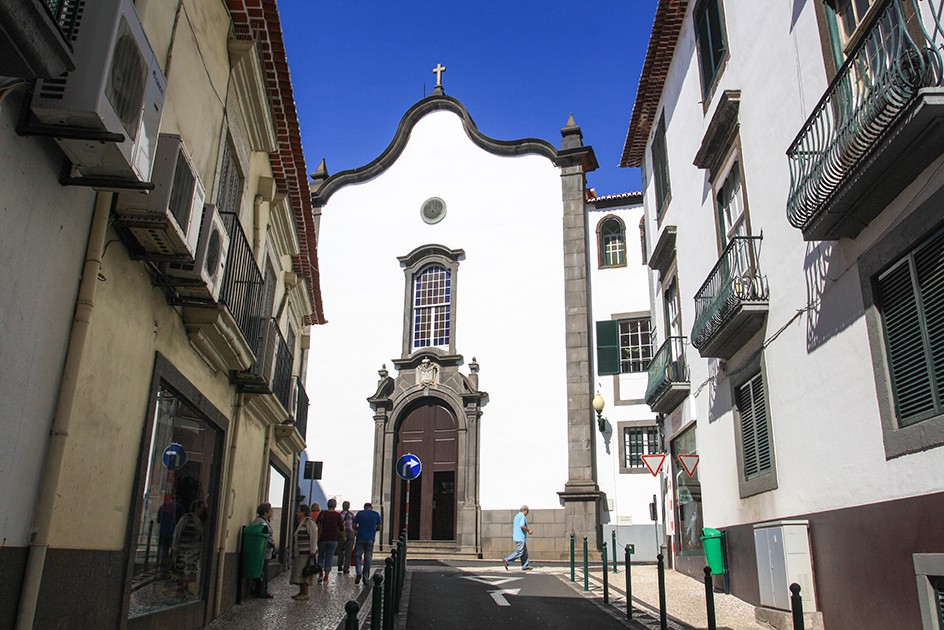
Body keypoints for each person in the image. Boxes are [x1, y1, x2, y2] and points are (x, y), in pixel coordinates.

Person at [171, 500, 206, 593]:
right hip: (184, 550)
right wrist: (174, 548)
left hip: (194, 552)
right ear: (196, 508)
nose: (203, 510)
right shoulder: (187, 518)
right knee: (183, 572)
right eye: (201, 508)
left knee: (190, 573)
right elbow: (177, 532)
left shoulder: (200, 521)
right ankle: (181, 590)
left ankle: (185, 589)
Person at [290, 503, 318, 600]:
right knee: (300, 573)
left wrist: (313, 550)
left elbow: (314, 536)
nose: (297, 513)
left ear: (303, 512)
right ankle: (301, 592)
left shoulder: (309, 522)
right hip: (300, 552)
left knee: (305, 573)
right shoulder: (301, 522)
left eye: (298, 511)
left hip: (306, 553)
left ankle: (305, 593)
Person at [352, 501, 382, 585]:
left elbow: (354, 526)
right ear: (371, 507)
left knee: (357, 556)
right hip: (370, 539)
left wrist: (359, 529)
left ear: (364, 507)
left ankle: (358, 572)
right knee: (368, 558)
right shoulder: (376, 514)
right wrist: (373, 530)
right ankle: (365, 579)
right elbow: (379, 527)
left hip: (360, 538)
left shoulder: (360, 514)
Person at [251, 502, 276, 598]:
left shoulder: (264, 521)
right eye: (270, 510)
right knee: (263, 572)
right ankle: (261, 592)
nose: (272, 511)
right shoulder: (260, 522)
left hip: (265, 552)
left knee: (264, 572)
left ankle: (262, 591)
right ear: (265, 512)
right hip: (263, 552)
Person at [315, 498, 343, 584]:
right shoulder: (337, 515)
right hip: (333, 539)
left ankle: (320, 574)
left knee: (320, 556)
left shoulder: (323, 513)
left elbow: (316, 524)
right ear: (335, 506)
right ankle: (326, 578)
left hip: (322, 538)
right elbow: (341, 528)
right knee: (329, 557)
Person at [502, 505, 534, 571]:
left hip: (517, 536)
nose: (527, 513)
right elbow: (522, 525)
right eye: (527, 512)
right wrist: (529, 531)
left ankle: (525, 566)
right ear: (525, 511)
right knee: (519, 551)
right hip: (521, 537)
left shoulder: (517, 516)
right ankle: (507, 560)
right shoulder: (522, 516)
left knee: (524, 552)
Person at [338, 500, 355, 574]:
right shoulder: (351, 514)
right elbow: (354, 525)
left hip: (342, 533)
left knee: (340, 550)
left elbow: (338, 525)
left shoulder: (339, 514)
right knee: (348, 552)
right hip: (350, 533)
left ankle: (340, 564)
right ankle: (346, 567)